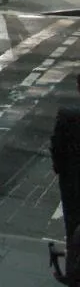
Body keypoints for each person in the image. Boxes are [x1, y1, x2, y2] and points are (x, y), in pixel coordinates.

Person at [52, 74, 80, 244]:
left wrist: (60, 168)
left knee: (72, 220)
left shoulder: (67, 115)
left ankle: (74, 258)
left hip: (72, 176)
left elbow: (57, 145)